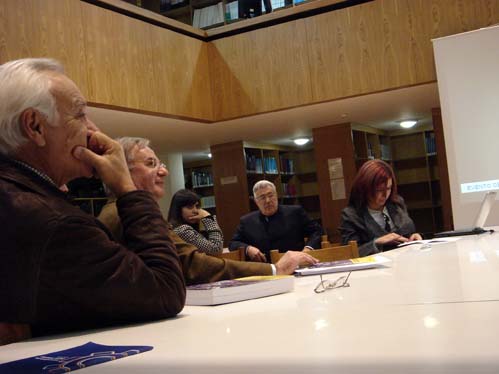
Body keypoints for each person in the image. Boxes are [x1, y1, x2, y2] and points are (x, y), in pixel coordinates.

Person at [0, 58, 185, 345]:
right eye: (80, 114)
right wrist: (126, 188)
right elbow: (165, 291)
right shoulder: (54, 223)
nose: (93, 128)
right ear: (35, 126)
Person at [98, 137, 318, 286]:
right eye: (151, 163)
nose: (164, 171)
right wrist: (272, 270)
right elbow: (195, 263)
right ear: (122, 170)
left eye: (161, 163)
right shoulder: (128, 214)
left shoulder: (124, 211)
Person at [339, 159, 423, 257]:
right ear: (365, 188)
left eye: (389, 188)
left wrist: (416, 236)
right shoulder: (351, 215)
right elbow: (349, 254)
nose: (385, 194)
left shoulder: (397, 203)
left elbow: (409, 233)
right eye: (379, 190)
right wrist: (377, 242)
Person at [229, 180, 323, 262]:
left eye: (270, 195)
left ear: (276, 195)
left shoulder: (295, 212)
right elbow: (233, 243)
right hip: (265, 271)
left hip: (295, 265)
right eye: (262, 198)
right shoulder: (247, 221)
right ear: (256, 201)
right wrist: (248, 249)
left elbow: (317, 231)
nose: (268, 200)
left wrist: (308, 249)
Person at [168, 189, 223, 254]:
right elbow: (216, 249)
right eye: (190, 207)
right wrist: (208, 218)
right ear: (178, 210)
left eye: (197, 206)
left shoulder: (177, 227)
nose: (196, 211)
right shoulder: (182, 230)